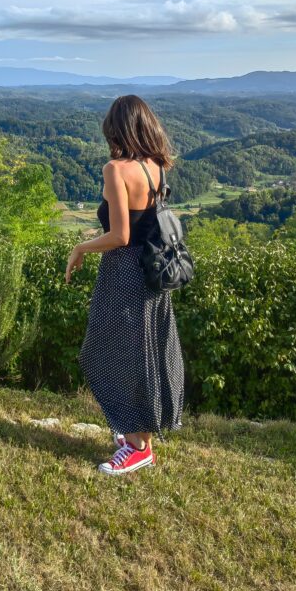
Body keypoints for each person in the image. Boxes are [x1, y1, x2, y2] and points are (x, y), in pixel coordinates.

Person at [64, 94, 185, 475]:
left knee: (103, 351)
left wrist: (80, 247)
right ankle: (136, 434)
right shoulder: (157, 166)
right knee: (145, 351)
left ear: (117, 130)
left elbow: (119, 234)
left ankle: (139, 446)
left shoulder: (116, 170)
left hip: (124, 273)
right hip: (153, 273)